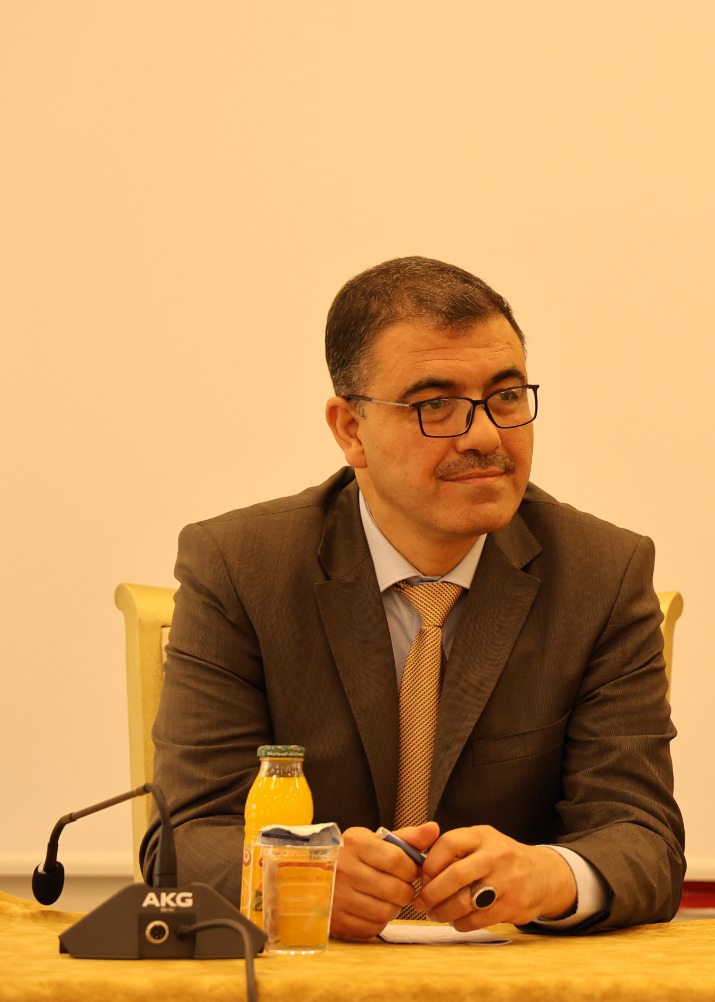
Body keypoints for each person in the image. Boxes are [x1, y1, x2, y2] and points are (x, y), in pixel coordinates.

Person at [145, 256, 684, 937]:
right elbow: (184, 840)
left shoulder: (601, 574)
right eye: (436, 406)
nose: (485, 436)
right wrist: (296, 872)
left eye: (506, 397)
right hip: (312, 972)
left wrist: (549, 874)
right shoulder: (242, 568)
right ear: (351, 430)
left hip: (507, 970)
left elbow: (643, 839)